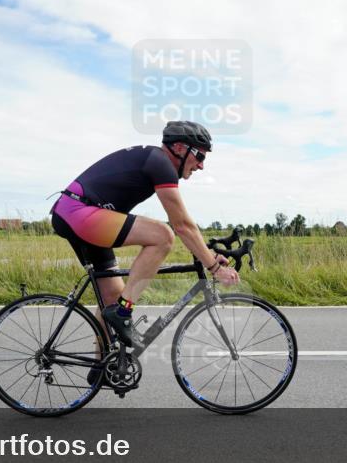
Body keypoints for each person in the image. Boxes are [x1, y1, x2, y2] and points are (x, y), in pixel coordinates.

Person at [50, 120, 240, 349]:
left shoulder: (153, 160)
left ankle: (102, 368)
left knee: (112, 297)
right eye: (200, 156)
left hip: (76, 212)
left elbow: (185, 225)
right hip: (79, 212)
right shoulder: (160, 163)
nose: (201, 166)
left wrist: (207, 254)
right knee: (163, 235)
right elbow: (182, 225)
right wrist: (215, 268)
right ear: (179, 148)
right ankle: (123, 312)